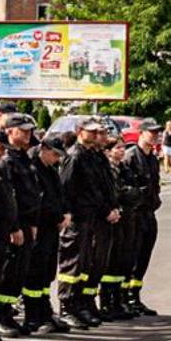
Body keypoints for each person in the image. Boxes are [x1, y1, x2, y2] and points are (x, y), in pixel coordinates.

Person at [57, 119, 121, 328]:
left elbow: (102, 188)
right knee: (72, 265)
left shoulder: (93, 155)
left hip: (94, 218)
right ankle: (67, 307)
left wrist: (111, 208)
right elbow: (67, 190)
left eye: (98, 132)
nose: (95, 135)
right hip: (79, 218)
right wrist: (68, 214)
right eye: (91, 132)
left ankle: (81, 303)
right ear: (79, 132)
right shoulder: (75, 156)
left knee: (86, 265)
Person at [0, 115, 42, 338]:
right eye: (23, 130)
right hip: (13, 225)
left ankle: (8, 312)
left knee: (18, 272)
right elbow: (6, 198)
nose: (28, 134)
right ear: (10, 132)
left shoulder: (23, 157)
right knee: (7, 271)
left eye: (30, 130)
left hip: (26, 224)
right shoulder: (6, 159)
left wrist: (32, 223)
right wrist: (14, 226)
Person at [26, 135, 74, 334]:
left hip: (52, 227)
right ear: (43, 149)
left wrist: (66, 213)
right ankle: (33, 316)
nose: (56, 159)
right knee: (35, 274)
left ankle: (45, 311)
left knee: (47, 273)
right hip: (41, 226)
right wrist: (56, 216)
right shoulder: (34, 168)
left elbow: (60, 195)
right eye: (54, 154)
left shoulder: (51, 170)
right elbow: (39, 200)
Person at [101, 118, 144, 321]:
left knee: (124, 261)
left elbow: (135, 190)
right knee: (111, 262)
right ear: (108, 151)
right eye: (117, 148)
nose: (121, 151)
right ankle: (107, 302)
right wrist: (130, 193)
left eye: (123, 148)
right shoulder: (109, 169)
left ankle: (119, 300)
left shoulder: (124, 168)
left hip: (129, 217)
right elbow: (117, 193)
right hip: (115, 219)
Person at [125, 121, 163, 316]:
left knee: (143, 258)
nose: (156, 136)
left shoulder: (153, 159)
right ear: (141, 133)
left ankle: (135, 295)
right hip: (134, 214)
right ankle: (124, 298)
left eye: (158, 133)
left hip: (149, 213)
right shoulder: (131, 157)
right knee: (131, 256)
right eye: (152, 132)